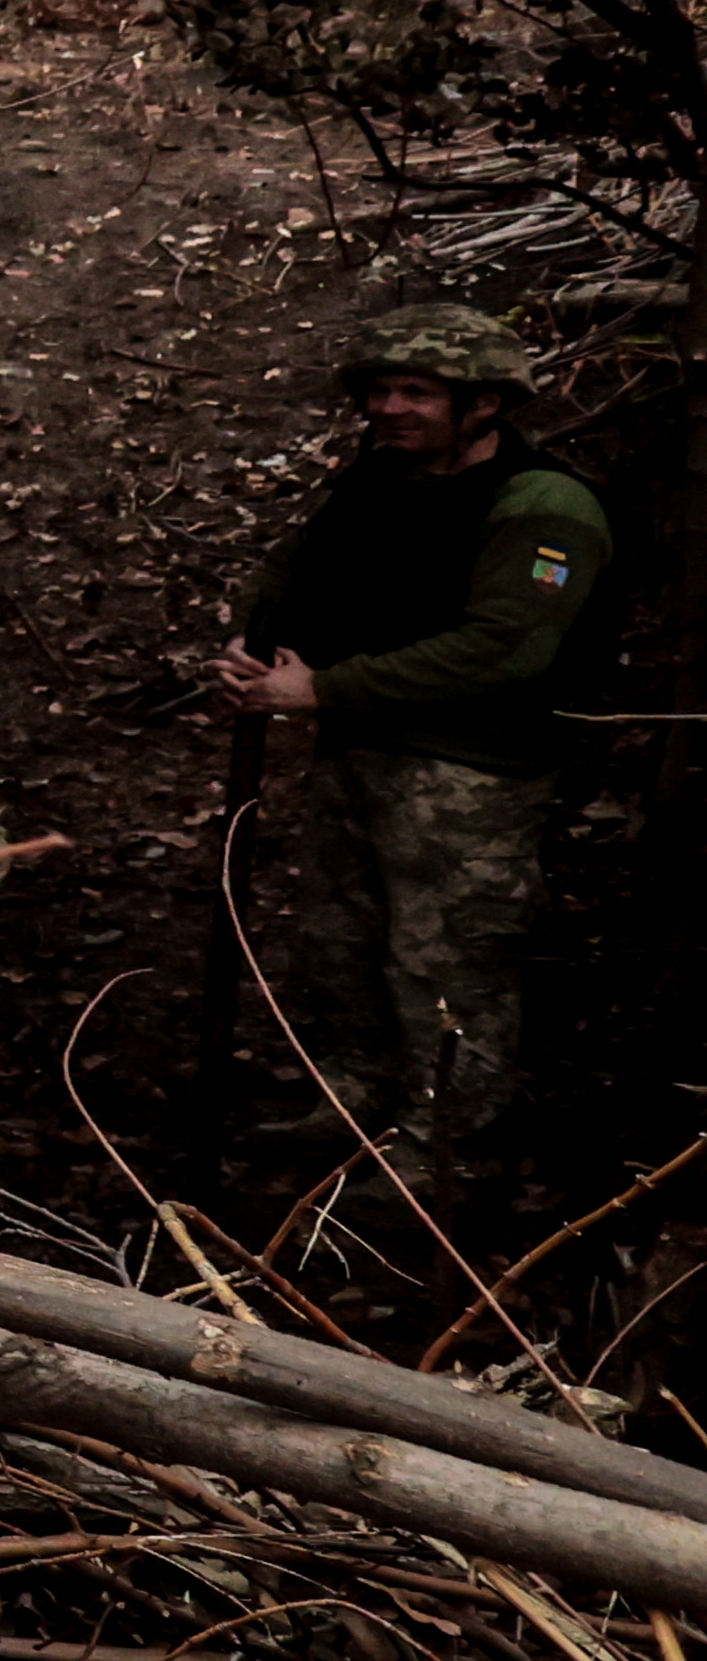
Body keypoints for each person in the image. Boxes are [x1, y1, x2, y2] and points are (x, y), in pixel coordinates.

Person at [213, 299, 612, 1191]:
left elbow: (506, 647)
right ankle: (354, 1099)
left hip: (468, 774)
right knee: (341, 942)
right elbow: (292, 571)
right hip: (357, 756)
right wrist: (249, 648)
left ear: (484, 406)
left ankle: (445, 1146)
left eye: (417, 392)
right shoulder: (377, 482)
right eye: (380, 391)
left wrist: (325, 688)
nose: (389, 409)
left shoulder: (545, 506)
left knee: (447, 960)